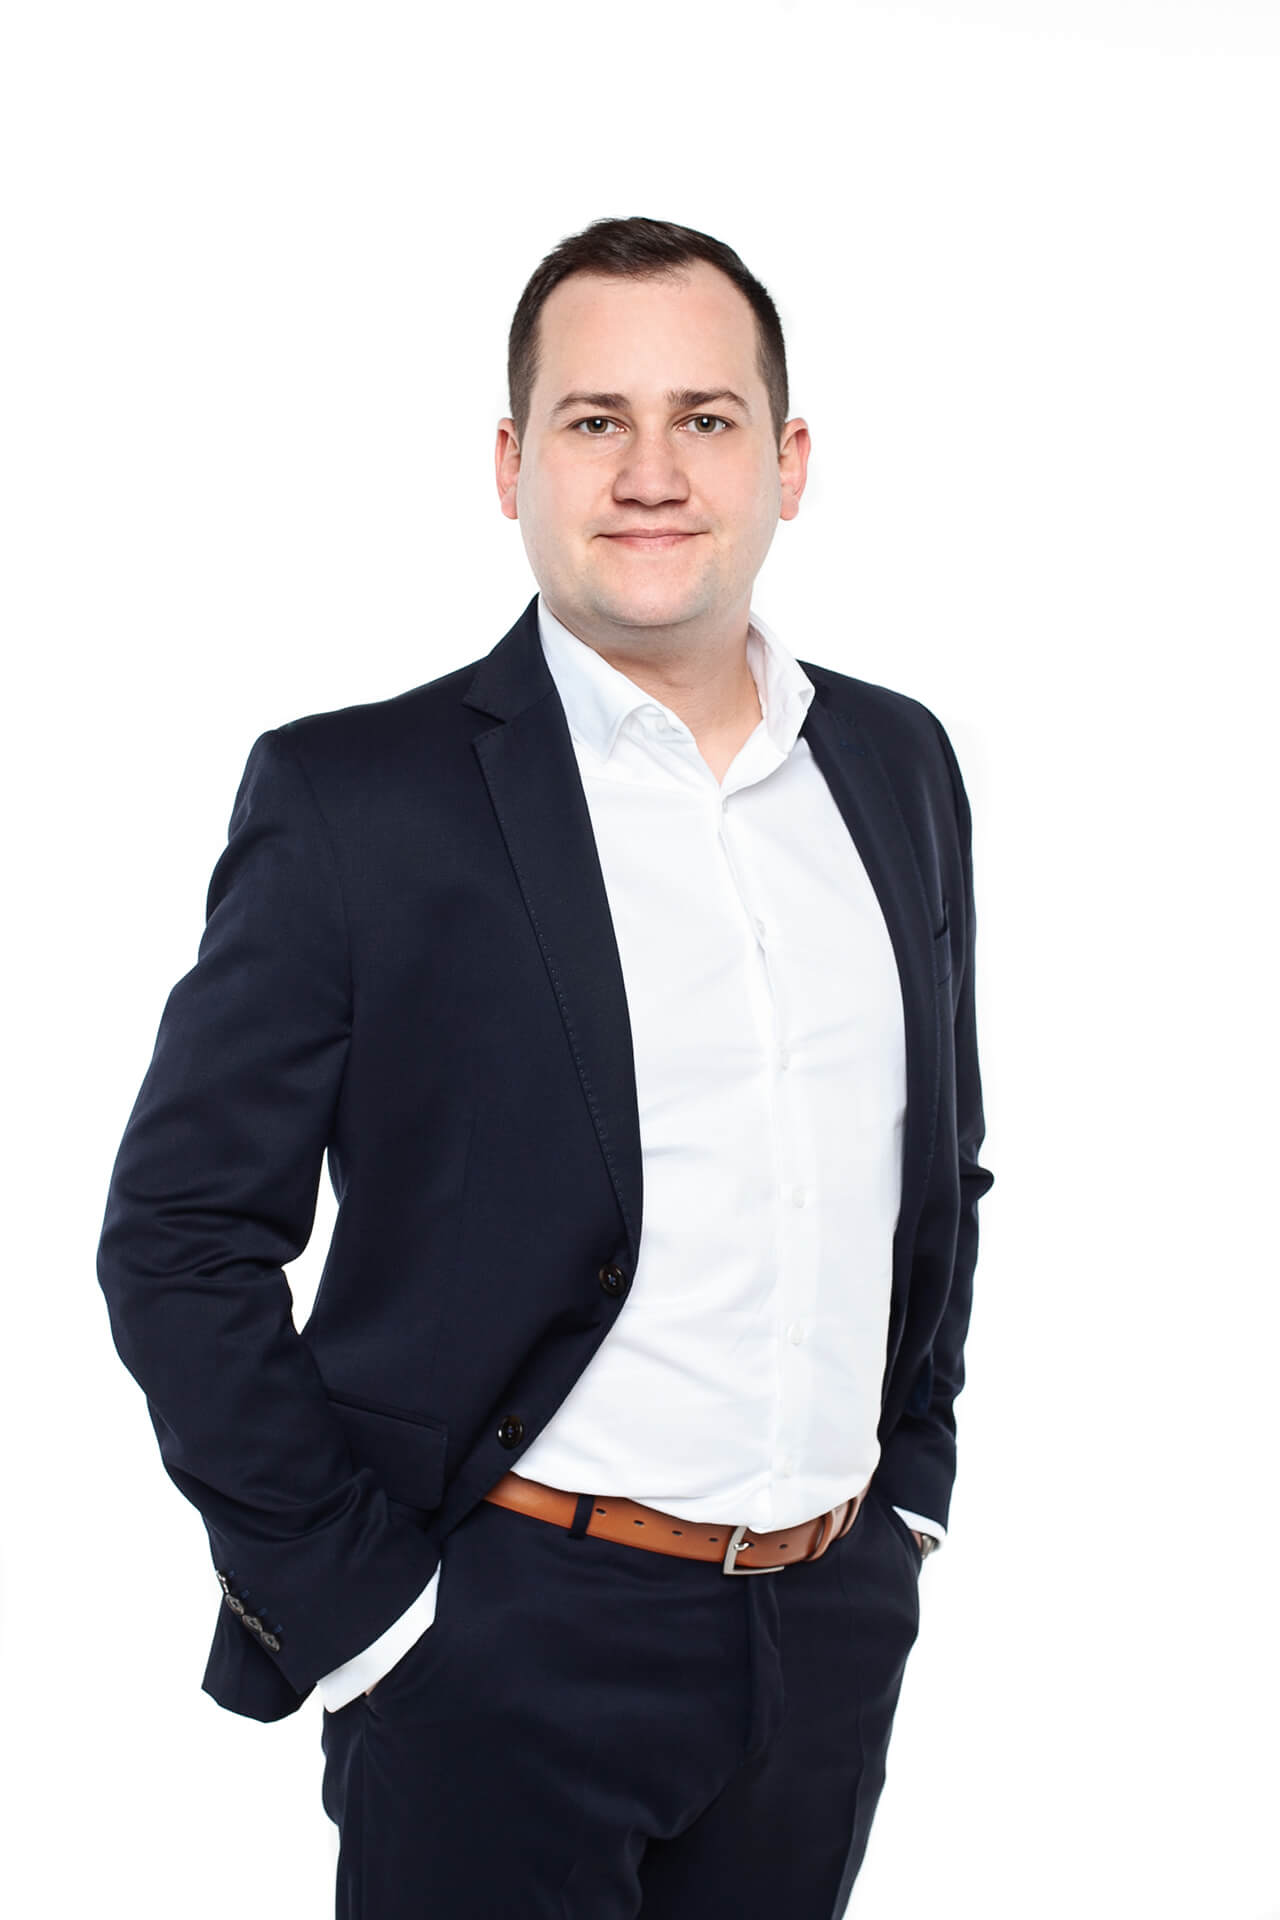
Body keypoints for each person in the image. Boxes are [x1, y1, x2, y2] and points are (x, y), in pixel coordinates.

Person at [97, 213, 995, 1919]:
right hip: (501, 1642)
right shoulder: (361, 801)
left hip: (827, 1632)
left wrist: (912, 1502)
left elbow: (933, 1164)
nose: (652, 471)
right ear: (513, 465)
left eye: (705, 418)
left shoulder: (898, 765)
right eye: (597, 420)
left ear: (789, 462)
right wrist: (365, 1618)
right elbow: (180, 1238)